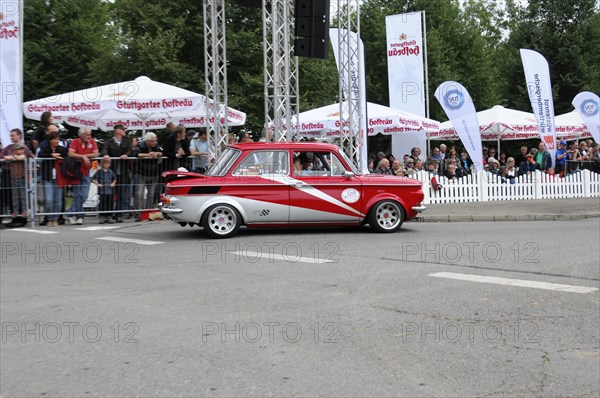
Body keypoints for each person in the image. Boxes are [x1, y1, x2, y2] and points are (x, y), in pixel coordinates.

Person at [66, 128, 98, 225]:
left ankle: (69, 213)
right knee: (77, 195)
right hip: (76, 171)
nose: (89, 137)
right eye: (87, 135)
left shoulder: (92, 142)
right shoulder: (75, 141)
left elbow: (96, 153)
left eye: (90, 134)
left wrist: (84, 156)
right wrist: (83, 157)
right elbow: (70, 153)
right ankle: (80, 216)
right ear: (81, 135)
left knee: (84, 195)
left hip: (86, 171)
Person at [101, 124, 132, 222]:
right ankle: (107, 215)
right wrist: (106, 155)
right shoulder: (109, 142)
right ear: (117, 131)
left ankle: (118, 214)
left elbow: (130, 151)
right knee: (109, 194)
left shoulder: (126, 141)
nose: (124, 131)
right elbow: (104, 150)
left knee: (121, 194)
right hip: (111, 171)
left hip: (123, 170)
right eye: (123, 129)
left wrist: (126, 155)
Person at [37, 131, 68, 227]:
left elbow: (67, 158)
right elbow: (40, 155)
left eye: (58, 139)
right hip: (48, 177)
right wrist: (51, 155)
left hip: (59, 177)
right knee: (49, 199)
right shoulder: (45, 149)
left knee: (58, 200)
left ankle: (56, 218)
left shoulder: (62, 149)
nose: (57, 141)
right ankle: (49, 218)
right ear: (50, 140)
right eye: (55, 139)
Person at [134, 132, 163, 221]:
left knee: (151, 195)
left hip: (153, 173)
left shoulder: (156, 145)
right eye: (153, 141)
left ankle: (148, 213)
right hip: (142, 173)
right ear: (147, 141)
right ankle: (138, 213)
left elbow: (161, 152)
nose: (155, 142)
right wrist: (148, 155)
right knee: (139, 194)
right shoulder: (140, 144)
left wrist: (157, 154)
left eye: (155, 141)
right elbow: (136, 154)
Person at [92, 157, 117, 224]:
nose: (106, 165)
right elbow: (93, 179)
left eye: (108, 164)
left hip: (110, 191)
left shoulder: (111, 172)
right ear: (102, 164)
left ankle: (109, 216)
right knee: (102, 204)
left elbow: (114, 179)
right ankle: (102, 217)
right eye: (105, 164)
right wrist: (98, 184)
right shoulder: (99, 172)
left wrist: (113, 183)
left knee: (110, 204)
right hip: (102, 191)